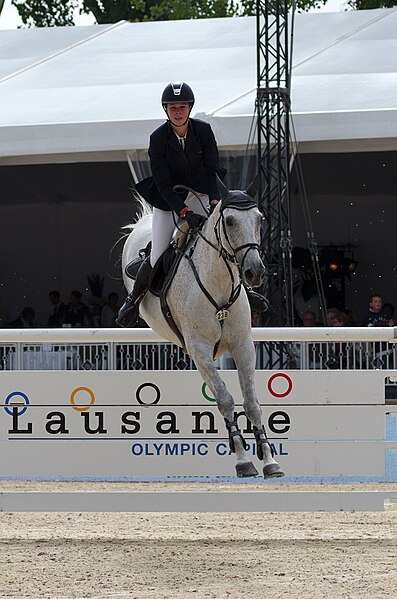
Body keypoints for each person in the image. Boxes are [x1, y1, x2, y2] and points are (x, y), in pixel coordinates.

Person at [117, 82, 221, 327]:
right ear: (166, 110)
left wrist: (215, 201)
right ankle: (134, 300)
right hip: (168, 199)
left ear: (189, 108)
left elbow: (212, 170)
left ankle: (246, 294)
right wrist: (183, 212)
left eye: (182, 107)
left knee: (223, 242)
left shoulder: (203, 131)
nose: (178, 112)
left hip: (200, 194)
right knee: (158, 254)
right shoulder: (158, 138)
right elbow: (163, 184)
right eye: (173, 107)